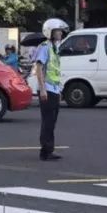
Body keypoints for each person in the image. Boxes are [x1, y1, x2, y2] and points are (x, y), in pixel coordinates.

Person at [34, 18, 69, 162]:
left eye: (61, 31)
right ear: (50, 32)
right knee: (47, 121)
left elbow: (54, 70)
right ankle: (45, 151)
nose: (61, 33)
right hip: (47, 89)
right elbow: (39, 68)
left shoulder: (55, 48)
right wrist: (42, 89)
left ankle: (50, 149)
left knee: (52, 121)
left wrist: (59, 89)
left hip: (54, 89)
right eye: (58, 31)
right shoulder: (44, 47)